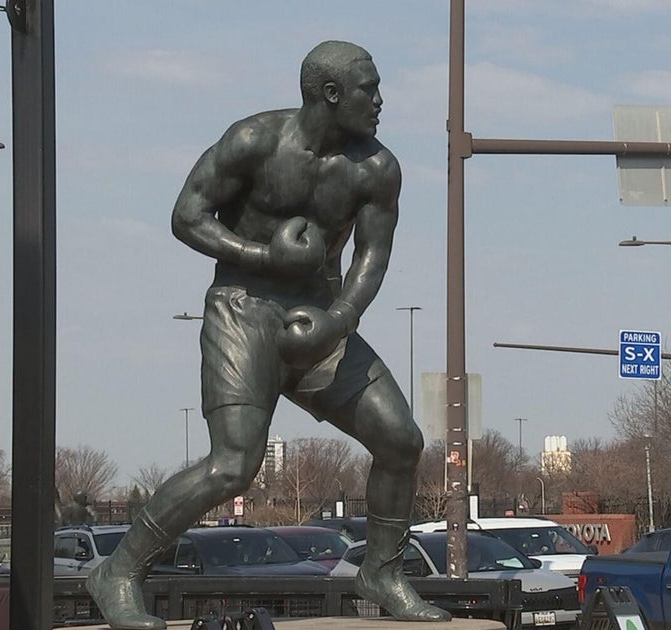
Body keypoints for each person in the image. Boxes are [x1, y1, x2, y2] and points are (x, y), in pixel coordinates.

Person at [85, 40, 451, 629]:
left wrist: (338, 319)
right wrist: (261, 254)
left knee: (401, 440)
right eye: (369, 89)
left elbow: (372, 258)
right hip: (243, 307)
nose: (381, 102)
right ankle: (118, 571)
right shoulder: (254, 140)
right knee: (233, 465)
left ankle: (381, 572)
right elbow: (187, 215)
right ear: (331, 94)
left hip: (318, 318)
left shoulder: (378, 168)